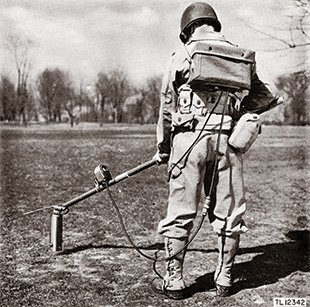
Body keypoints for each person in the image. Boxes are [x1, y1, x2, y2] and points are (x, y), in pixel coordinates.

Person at [152, 1, 282, 300]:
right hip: (228, 141)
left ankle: (174, 281)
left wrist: (164, 146)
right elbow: (268, 95)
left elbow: (167, 107)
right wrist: (237, 109)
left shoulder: (181, 55)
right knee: (229, 213)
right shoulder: (240, 55)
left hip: (188, 142)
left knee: (181, 212)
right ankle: (224, 279)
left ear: (187, 29)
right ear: (214, 24)